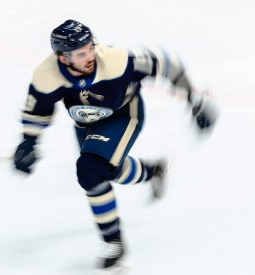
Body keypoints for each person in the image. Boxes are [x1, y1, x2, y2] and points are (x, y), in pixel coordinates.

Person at [13, 19, 217, 269]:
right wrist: (28, 143)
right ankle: (152, 171)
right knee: (105, 171)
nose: (89, 55)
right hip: (86, 123)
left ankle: (113, 243)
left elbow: (163, 65)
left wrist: (193, 99)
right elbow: (38, 111)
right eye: (80, 53)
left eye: (90, 47)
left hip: (123, 114)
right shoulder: (46, 76)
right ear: (63, 58)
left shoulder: (116, 60)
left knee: (90, 170)